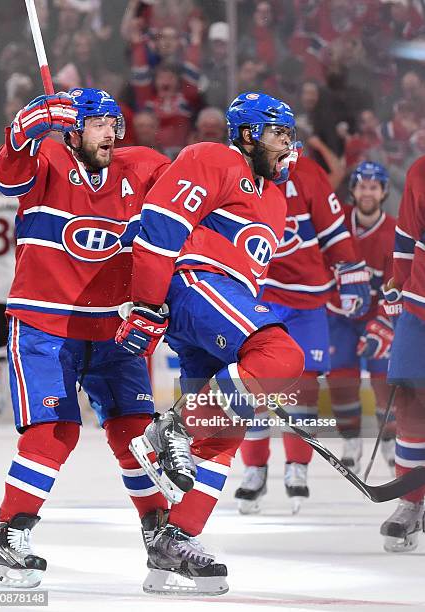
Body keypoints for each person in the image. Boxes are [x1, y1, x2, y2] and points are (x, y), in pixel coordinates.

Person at [116, 92, 305, 594]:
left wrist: (253, 385)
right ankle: (169, 428)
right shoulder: (212, 157)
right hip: (195, 283)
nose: (288, 144)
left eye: (290, 134)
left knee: (227, 427)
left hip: (224, 301)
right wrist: (147, 305)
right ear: (246, 133)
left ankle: (174, 543)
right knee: (284, 355)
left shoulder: (276, 197)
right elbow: (159, 229)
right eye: (277, 133)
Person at [0, 87, 171, 588]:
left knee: (137, 435)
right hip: (47, 324)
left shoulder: (142, 167)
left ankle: (162, 540)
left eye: (115, 123)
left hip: (112, 326)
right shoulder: (46, 155)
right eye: (98, 124)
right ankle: (12, 539)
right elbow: (6, 177)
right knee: (55, 432)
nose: (110, 133)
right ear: (72, 129)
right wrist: (24, 126)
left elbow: (185, 200)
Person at [234, 155, 370, 514]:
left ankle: (297, 466)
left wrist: (351, 273)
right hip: (260, 294)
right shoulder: (236, 170)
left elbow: (334, 230)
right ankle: (254, 469)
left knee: (303, 390)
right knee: (256, 387)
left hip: (307, 299)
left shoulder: (307, 172)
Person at [327, 161, 397, 475]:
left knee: (385, 382)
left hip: (377, 319)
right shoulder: (336, 223)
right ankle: (351, 440)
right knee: (341, 380)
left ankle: (390, 439)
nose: (367, 192)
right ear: (353, 190)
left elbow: (396, 284)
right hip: (339, 317)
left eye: (373, 187)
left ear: (382, 192)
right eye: (362, 186)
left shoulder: (394, 232)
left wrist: (381, 324)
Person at [379, 154, 425, 552]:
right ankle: (410, 503)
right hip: (419, 306)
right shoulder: (419, 170)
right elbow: (407, 235)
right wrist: (397, 283)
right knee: (410, 407)